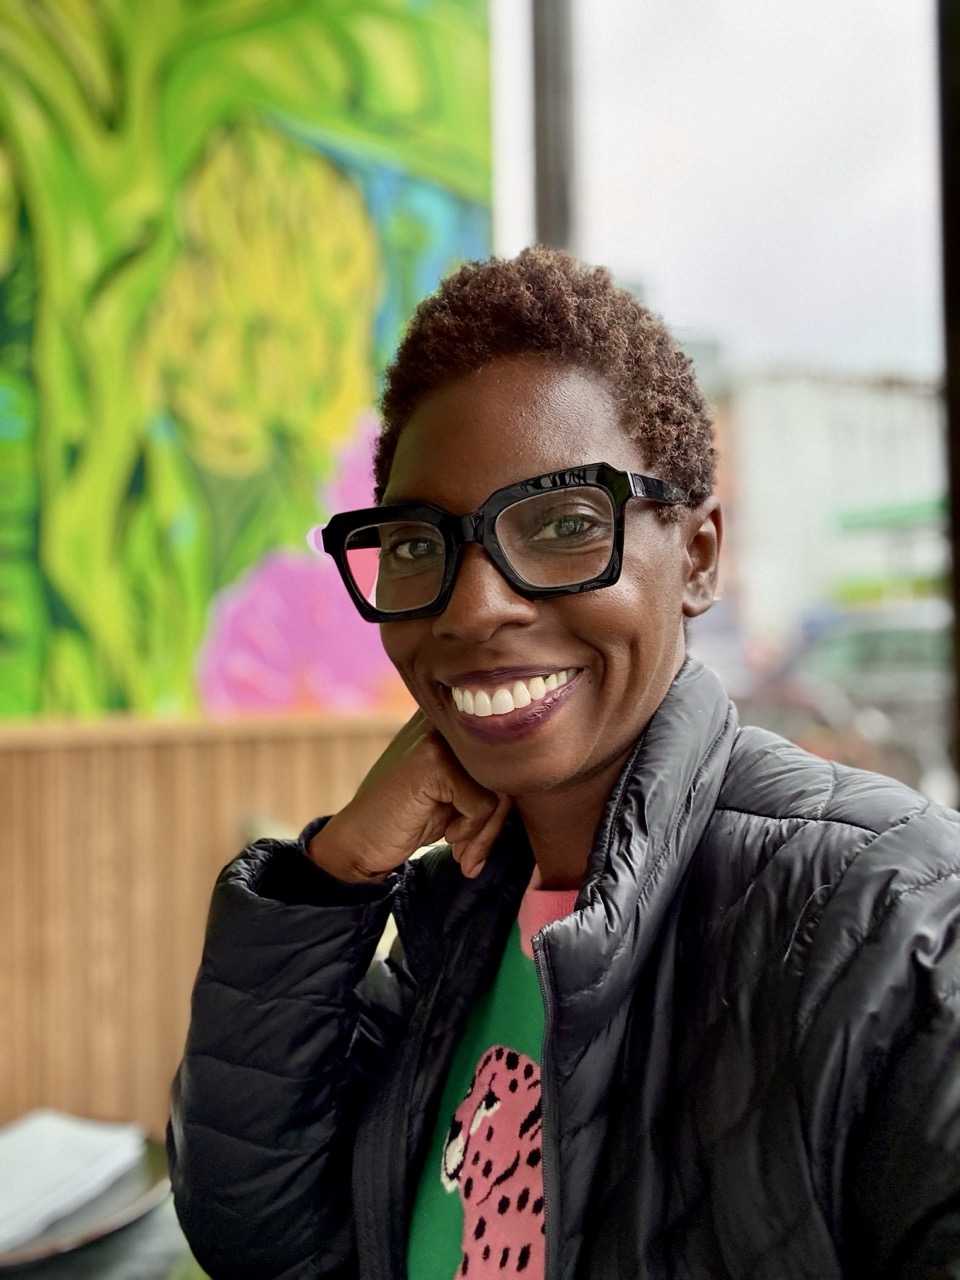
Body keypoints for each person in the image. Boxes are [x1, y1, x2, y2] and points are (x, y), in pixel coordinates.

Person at [167, 247, 960, 1280]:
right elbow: (266, 1236)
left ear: (701, 554)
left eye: (563, 524)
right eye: (416, 542)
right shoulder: (459, 912)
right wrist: (332, 875)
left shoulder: (889, 912)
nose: (471, 604)